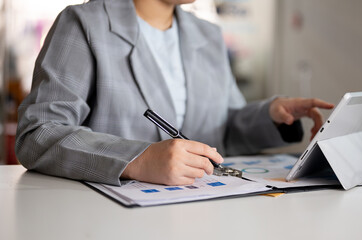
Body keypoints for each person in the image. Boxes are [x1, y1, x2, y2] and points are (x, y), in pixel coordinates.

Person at [15, 0, 334, 186]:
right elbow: (38, 134)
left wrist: (270, 116)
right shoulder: (84, 24)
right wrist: (137, 160)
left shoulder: (206, 34)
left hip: (204, 212)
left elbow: (220, 129)